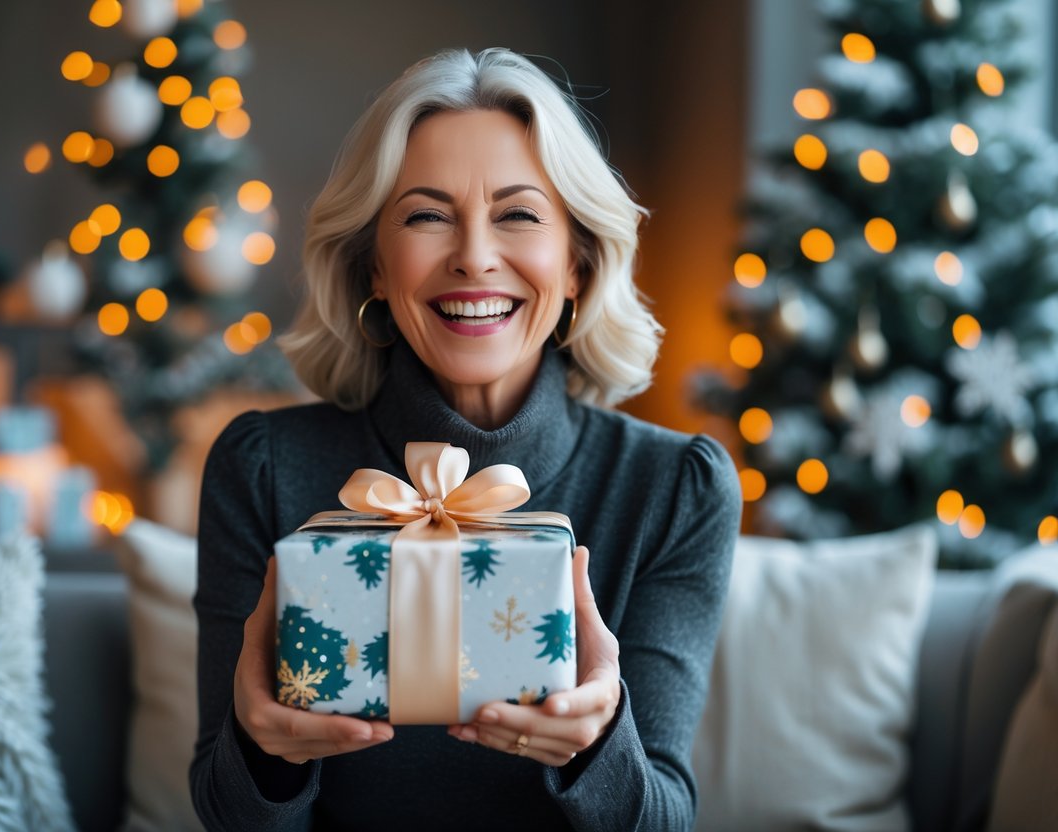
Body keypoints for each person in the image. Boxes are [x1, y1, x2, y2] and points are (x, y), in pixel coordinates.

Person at [190, 47, 741, 831]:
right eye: (426, 215)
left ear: (578, 262)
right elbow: (223, 813)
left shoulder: (673, 489)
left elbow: (664, 819)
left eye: (518, 214)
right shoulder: (261, 469)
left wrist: (596, 745)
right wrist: (259, 750)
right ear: (373, 266)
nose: (475, 257)